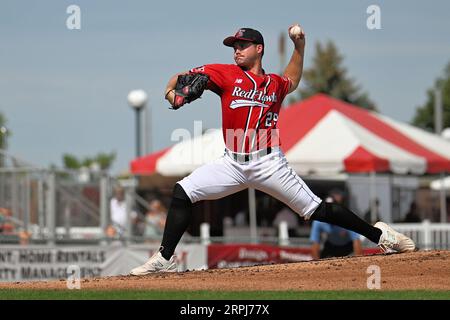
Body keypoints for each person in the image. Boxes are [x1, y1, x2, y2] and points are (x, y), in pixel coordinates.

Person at [130, 25, 415, 275]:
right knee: (183, 192)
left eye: (242, 45)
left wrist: (299, 46)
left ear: (259, 49)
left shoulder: (274, 84)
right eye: (234, 46)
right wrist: (172, 95)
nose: (236, 51)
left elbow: (292, 78)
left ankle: (381, 236)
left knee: (315, 209)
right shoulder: (225, 74)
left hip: (269, 164)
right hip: (232, 163)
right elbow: (175, 80)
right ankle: (164, 258)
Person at [310, 189, 362, 259]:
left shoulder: (346, 219)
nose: (328, 213)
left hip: (348, 247)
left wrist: (358, 261)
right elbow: (315, 243)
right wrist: (315, 264)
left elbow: (356, 241)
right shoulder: (318, 222)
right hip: (330, 246)